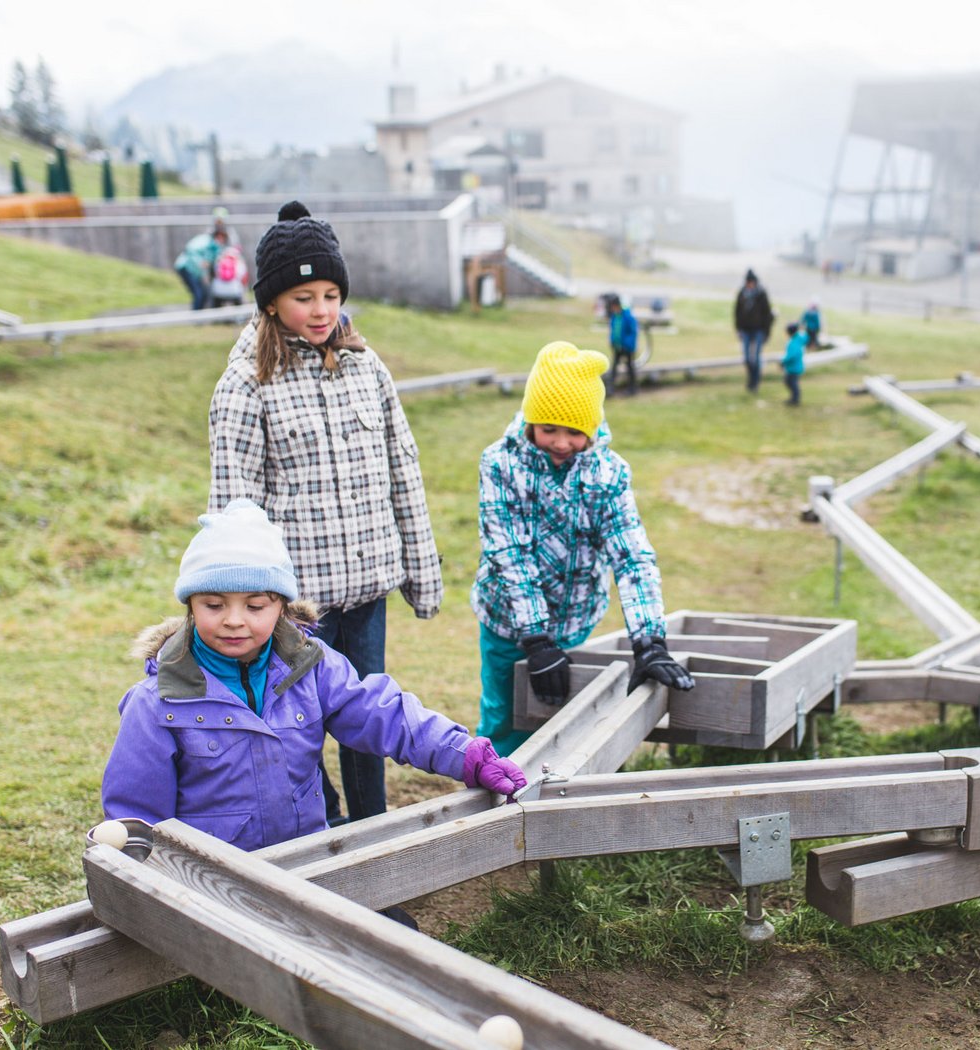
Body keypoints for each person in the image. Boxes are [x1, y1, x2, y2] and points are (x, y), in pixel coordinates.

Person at [100, 499, 526, 855]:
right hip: (212, 885)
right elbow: (136, 816)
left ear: (282, 607)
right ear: (190, 607)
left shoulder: (313, 667)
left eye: (255, 606)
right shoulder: (157, 703)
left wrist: (464, 754)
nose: (234, 620)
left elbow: (383, 715)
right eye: (214, 605)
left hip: (308, 865)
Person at [208, 200, 443, 826]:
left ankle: (373, 827)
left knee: (368, 717)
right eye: (304, 297)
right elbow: (234, 506)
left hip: (367, 591)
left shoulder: (368, 369)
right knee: (298, 724)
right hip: (298, 605)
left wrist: (422, 574)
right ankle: (323, 826)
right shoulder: (245, 384)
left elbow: (404, 471)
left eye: (332, 295)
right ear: (271, 302)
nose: (321, 311)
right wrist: (242, 602)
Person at [471, 341, 695, 755]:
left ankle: (558, 788)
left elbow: (631, 555)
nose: (561, 442)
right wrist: (536, 639)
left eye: (574, 432)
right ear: (530, 421)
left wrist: (649, 641)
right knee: (506, 716)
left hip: (576, 620)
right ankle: (496, 779)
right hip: (508, 622)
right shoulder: (500, 464)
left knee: (570, 720)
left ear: (591, 429)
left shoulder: (609, 474)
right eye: (549, 429)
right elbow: (509, 553)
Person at [734, 269, 774, 393]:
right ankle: (751, 379)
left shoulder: (761, 294)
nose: (749, 284)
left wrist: (767, 332)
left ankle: (755, 382)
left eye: (751, 282)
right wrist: (738, 328)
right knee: (747, 358)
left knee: (755, 358)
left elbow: (767, 314)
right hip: (745, 330)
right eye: (748, 282)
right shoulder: (742, 293)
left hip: (758, 330)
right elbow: (737, 312)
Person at [174, 229, 226, 311]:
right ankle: (195, 316)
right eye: (219, 237)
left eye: (223, 238)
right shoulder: (206, 241)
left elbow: (210, 262)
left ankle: (199, 314)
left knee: (204, 295)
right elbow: (190, 249)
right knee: (199, 294)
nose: (221, 240)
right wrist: (200, 262)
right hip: (186, 267)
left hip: (196, 272)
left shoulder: (216, 248)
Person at [604, 292, 639, 396]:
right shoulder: (614, 316)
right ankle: (610, 389)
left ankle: (632, 389)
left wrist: (627, 345)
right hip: (617, 347)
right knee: (614, 368)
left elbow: (633, 332)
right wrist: (612, 341)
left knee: (630, 368)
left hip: (627, 348)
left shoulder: (628, 316)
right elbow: (613, 331)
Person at [207, 243, 249, 308]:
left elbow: (214, 275)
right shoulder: (239, 263)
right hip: (235, 291)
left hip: (218, 291)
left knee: (215, 305)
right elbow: (243, 278)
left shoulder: (219, 262)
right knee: (239, 306)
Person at [781, 322, 807, 407]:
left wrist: (783, 361)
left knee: (791, 383)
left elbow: (792, 355)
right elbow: (806, 336)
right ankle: (794, 398)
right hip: (797, 366)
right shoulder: (799, 339)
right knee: (791, 382)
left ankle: (795, 399)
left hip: (793, 367)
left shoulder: (793, 342)